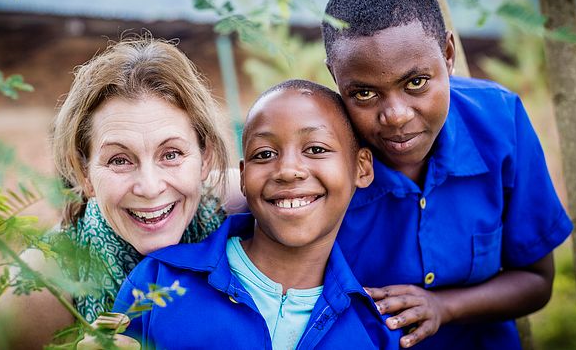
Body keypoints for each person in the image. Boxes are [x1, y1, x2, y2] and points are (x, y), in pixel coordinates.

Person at [321, 0, 574, 349]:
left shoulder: (500, 122)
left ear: (448, 55)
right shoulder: (321, 154)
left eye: (416, 82)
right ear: (336, 78)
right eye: (364, 94)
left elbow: (537, 280)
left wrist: (444, 307)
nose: (396, 115)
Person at [113, 79, 401, 349]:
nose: (288, 170)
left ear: (362, 168)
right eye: (264, 154)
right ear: (243, 176)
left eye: (315, 149)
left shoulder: (374, 329)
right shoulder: (158, 281)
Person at [0, 34, 232, 349]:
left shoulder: (242, 225)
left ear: (206, 158)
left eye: (171, 154)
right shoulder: (40, 291)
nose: (149, 187)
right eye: (119, 160)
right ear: (84, 174)